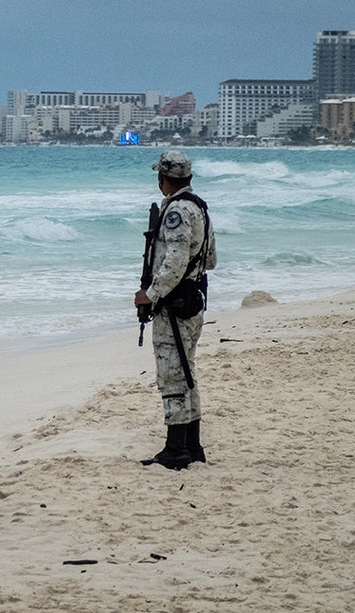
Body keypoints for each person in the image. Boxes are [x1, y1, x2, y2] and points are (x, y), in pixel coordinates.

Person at [134, 150, 217, 470]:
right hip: (194, 299)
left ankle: (176, 449)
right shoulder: (199, 208)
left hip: (175, 305)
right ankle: (192, 445)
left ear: (163, 179)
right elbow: (210, 259)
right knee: (187, 371)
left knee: (172, 375)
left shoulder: (177, 212)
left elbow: (175, 261)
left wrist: (150, 294)